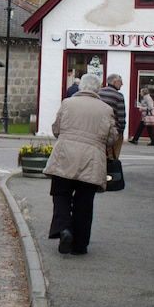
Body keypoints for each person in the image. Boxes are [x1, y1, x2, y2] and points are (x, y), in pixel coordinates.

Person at [42, 74, 119, 256]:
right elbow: (111, 138)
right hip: (92, 160)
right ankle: (80, 245)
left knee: (61, 194)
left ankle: (64, 229)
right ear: (97, 89)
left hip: (66, 156)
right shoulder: (106, 109)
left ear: (80, 87)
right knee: (84, 201)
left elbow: (56, 129)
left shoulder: (67, 103)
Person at [98, 73, 127, 159]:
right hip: (113, 129)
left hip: (99, 127)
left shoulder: (99, 92)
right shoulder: (118, 96)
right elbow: (121, 115)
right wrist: (121, 130)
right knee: (113, 155)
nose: (122, 84)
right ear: (115, 82)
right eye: (120, 82)